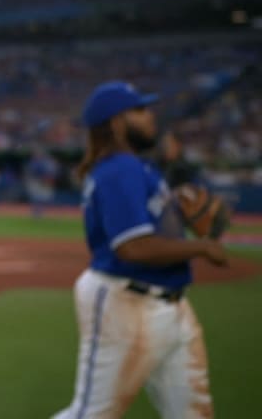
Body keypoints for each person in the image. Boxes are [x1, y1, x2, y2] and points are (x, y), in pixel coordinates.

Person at [52, 81, 228, 419]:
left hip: (170, 303)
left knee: (193, 413)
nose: (150, 117)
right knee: (91, 414)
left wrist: (180, 196)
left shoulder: (136, 168)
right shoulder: (120, 170)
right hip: (127, 303)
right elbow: (133, 247)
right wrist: (203, 247)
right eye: (140, 110)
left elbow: (157, 228)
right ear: (118, 123)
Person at [24, 146, 59, 218]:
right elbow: (31, 172)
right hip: (36, 181)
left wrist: (48, 180)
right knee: (36, 197)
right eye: (36, 153)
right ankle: (37, 212)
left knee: (44, 198)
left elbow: (52, 173)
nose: (37, 155)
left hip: (44, 182)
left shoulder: (47, 162)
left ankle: (40, 211)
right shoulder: (34, 162)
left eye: (39, 153)